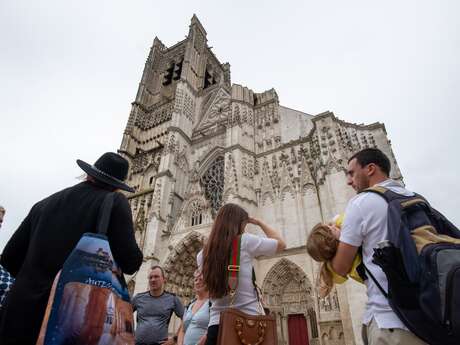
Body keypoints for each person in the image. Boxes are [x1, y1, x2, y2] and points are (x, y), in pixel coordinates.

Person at [0, 152, 143, 345]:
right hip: (67, 320)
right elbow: (130, 262)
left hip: (19, 313)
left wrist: (37, 280)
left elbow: (9, 258)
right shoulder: (114, 202)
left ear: (88, 174)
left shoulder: (44, 204)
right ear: (117, 186)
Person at [330, 148, 425, 345]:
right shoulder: (416, 199)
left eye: (351, 173)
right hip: (427, 316)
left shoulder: (361, 203)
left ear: (370, 169)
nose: (349, 181)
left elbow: (341, 267)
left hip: (390, 322)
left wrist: (339, 239)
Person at [198, 203, 286, 345]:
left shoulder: (202, 255)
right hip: (246, 325)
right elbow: (281, 244)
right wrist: (258, 222)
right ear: (238, 224)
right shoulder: (245, 241)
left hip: (215, 327)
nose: (245, 228)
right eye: (244, 224)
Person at [306, 215, 364, 298]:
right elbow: (349, 219)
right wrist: (336, 220)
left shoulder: (334, 269)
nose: (333, 225)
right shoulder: (351, 236)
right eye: (330, 227)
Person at [132, 265, 184, 345]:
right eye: (150, 277)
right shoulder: (138, 298)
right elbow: (124, 313)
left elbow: (186, 319)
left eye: (156, 277)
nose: (153, 280)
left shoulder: (172, 299)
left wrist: (174, 339)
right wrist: (127, 334)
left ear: (164, 279)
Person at [177, 270, 209, 345]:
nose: (197, 282)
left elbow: (213, 329)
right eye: (195, 280)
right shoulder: (190, 304)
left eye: (201, 279)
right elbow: (182, 329)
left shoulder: (213, 303)